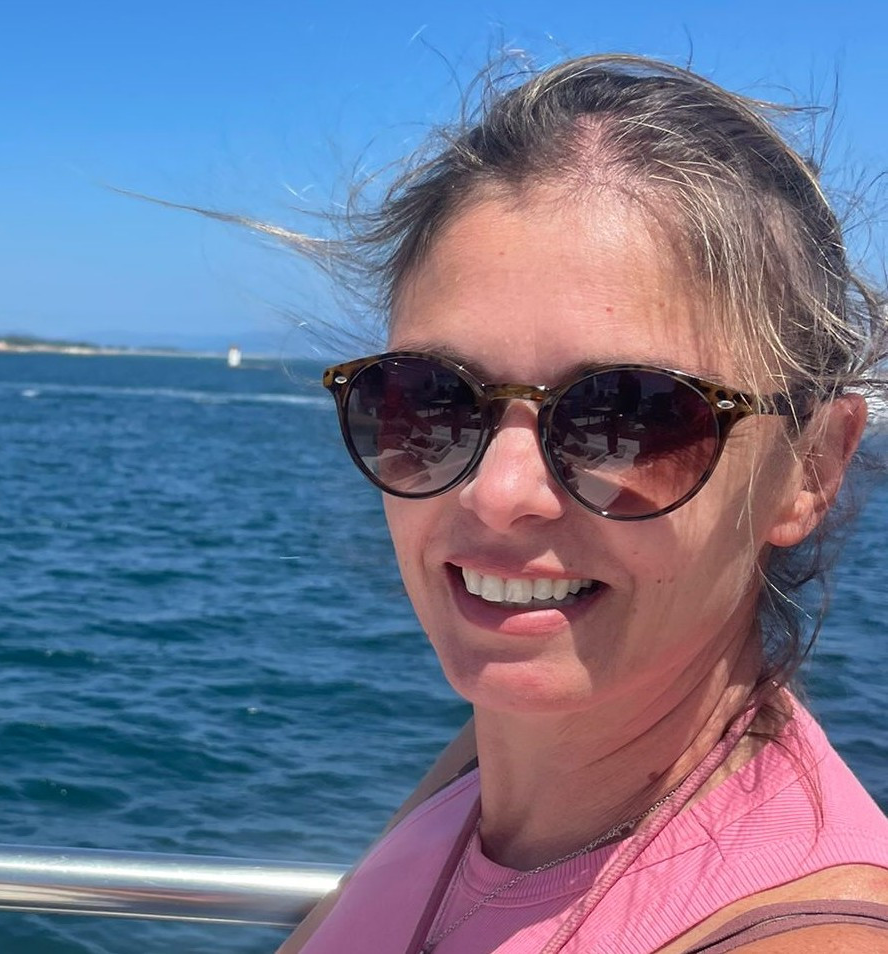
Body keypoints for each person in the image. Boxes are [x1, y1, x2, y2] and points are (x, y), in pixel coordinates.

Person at [277, 53, 888, 953]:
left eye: (631, 417)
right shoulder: (497, 760)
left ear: (811, 468)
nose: (499, 493)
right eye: (429, 400)